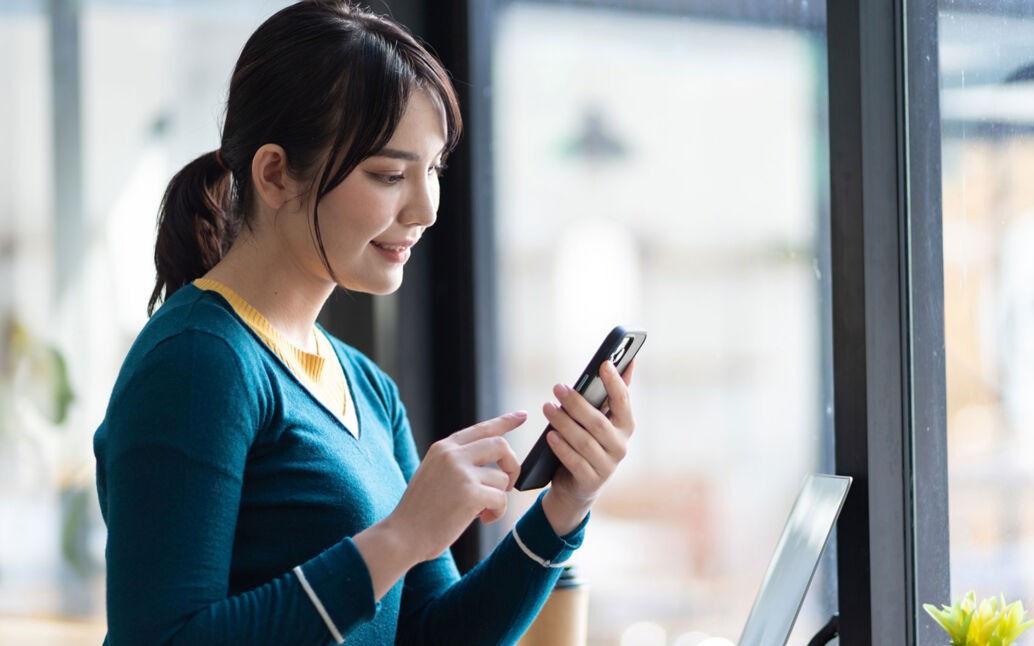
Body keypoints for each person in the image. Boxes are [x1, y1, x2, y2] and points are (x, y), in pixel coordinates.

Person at [92, 1, 636, 644]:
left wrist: (564, 508)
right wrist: (400, 537)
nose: (426, 208)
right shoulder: (198, 360)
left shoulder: (368, 389)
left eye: (432, 171)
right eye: (388, 174)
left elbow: (434, 636)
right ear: (274, 174)